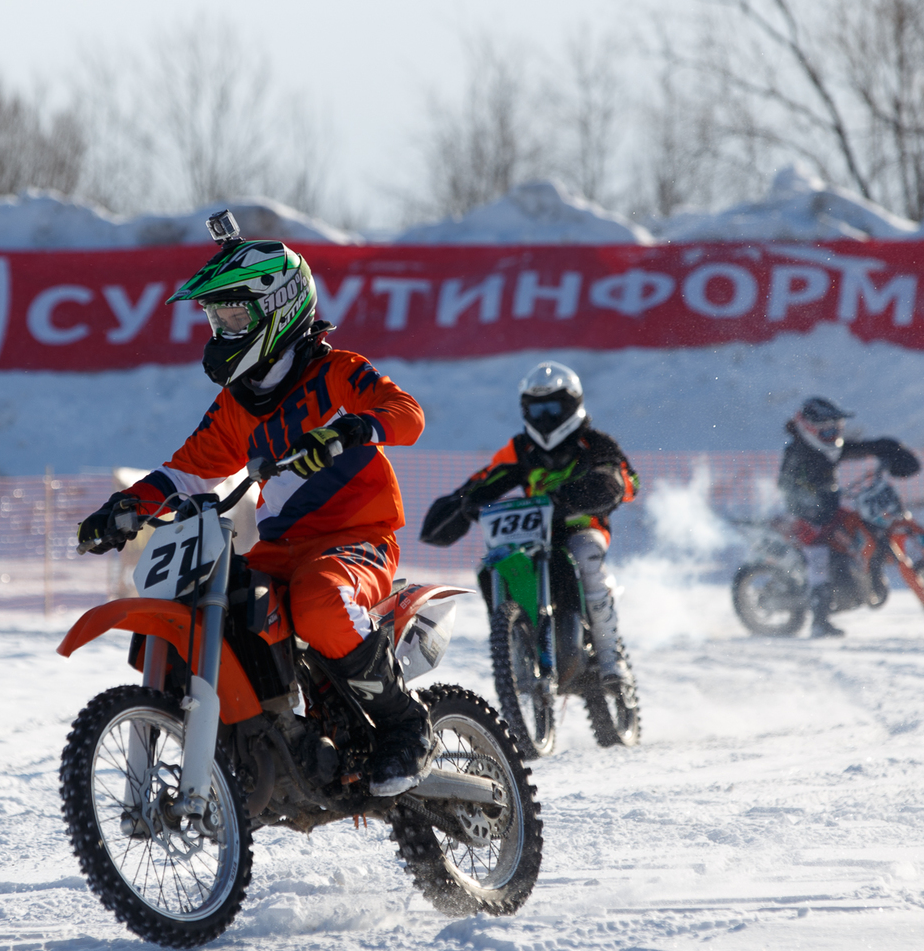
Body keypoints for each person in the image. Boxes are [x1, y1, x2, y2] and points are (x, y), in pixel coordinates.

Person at [76, 214, 430, 796]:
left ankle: (404, 724)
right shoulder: (237, 405)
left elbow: (407, 415)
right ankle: (266, 734)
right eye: (216, 318)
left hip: (358, 539)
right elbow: (186, 471)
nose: (222, 329)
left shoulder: (337, 372)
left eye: (235, 317)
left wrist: (351, 430)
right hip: (280, 549)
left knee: (318, 602)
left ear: (280, 308)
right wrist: (125, 506)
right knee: (225, 603)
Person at [420, 361, 639, 698]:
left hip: (582, 527)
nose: (545, 417)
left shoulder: (594, 443)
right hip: (534, 534)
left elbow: (625, 479)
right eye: (537, 409)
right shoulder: (521, 448)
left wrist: (599, 486)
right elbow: (487, 478)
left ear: (572, 406)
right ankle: (516, 643)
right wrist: (462, 503)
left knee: (585, 556)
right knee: (494, 563)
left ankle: (612, 661)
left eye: (553, 408)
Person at [777, 397, 921, 638]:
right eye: (827, 431)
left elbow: (861, 448)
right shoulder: (797, 454)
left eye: (837, 429)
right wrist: (810, 503)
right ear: (809, 429)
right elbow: (787, 489)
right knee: (819, 558)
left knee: (865, 527)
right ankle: (819, 621)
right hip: (805, 517)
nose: (833, 435)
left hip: (830, 510)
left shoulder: (829, 448)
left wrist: (890, 448)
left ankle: (868, 578)